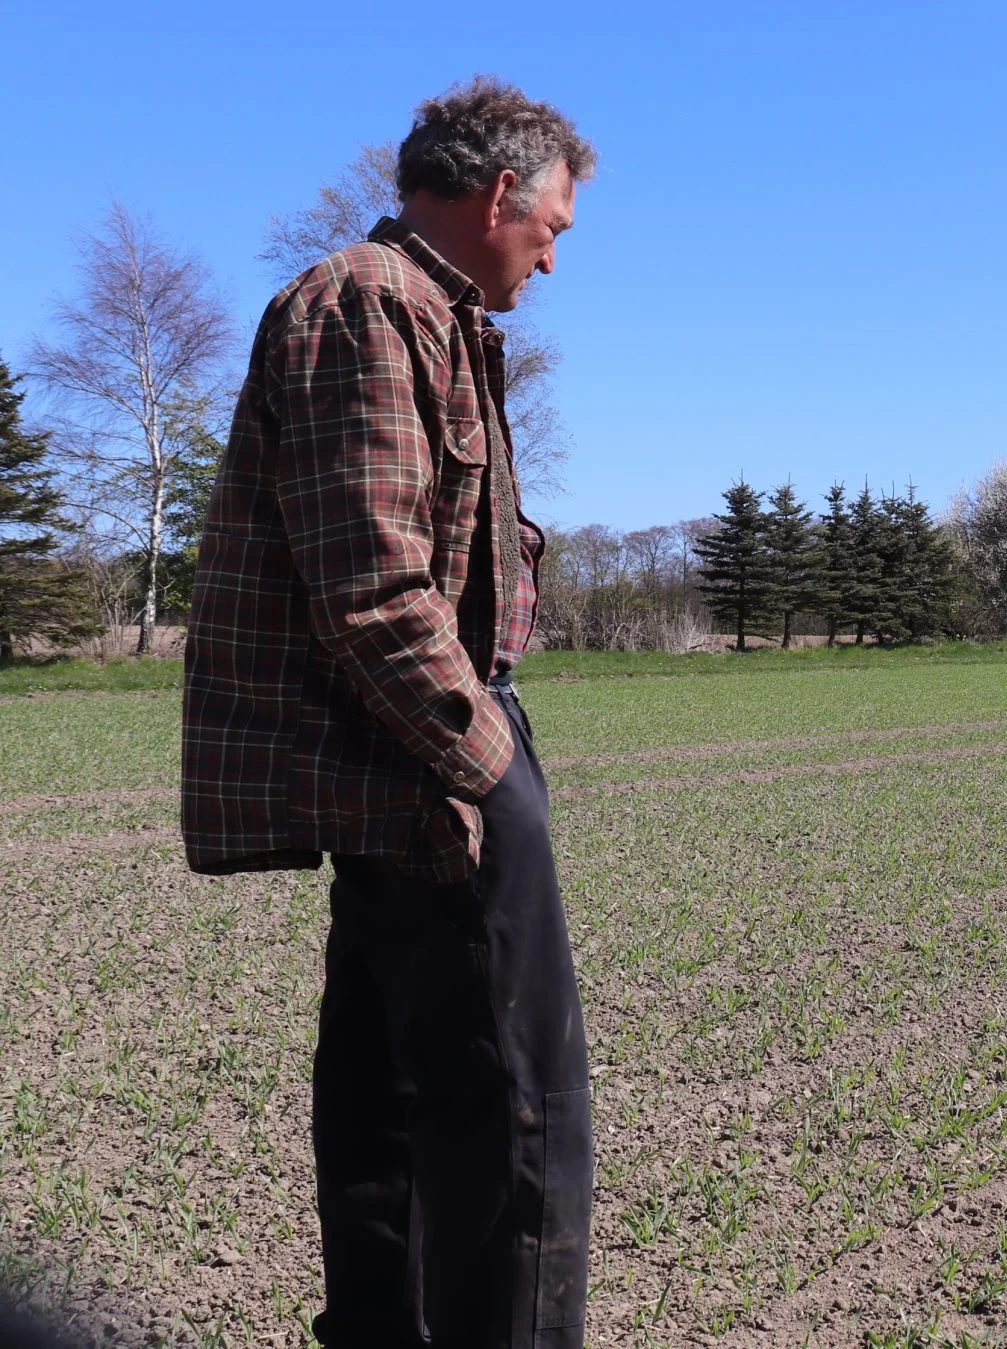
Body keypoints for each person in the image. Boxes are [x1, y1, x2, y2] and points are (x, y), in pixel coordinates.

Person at [181, 76, 597, 1349]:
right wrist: (490, 763)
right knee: (516, 1113)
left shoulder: (425, 313)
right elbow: (370, 584)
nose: (555, 255)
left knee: (396, 1106)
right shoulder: (369, 302)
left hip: (397, 769)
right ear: (497, 196)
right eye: (555, 227)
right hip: (423, 768)